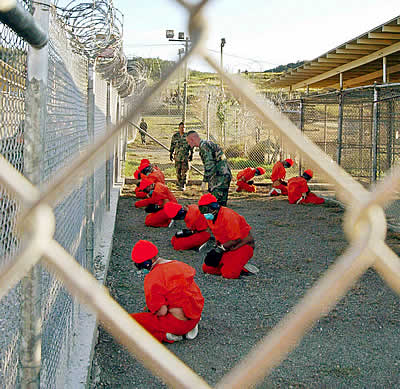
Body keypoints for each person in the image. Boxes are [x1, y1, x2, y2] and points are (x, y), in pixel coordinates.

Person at [130, 240, 204, 343]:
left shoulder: (153, 278)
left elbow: (161, 311)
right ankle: (188, 328)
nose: (140, 268)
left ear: (148, 262)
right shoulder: (179, 265)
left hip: (177, 324)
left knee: (129, 322)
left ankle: (168, 336)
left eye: (139, 265)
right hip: (194, 317)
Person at [197, 193, 256, 279]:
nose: (204, 212)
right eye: (201, 209)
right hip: (228, 247)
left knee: (229, 274)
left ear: (214, 207)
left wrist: (221, 249)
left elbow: (236, 239)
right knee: (207, 268)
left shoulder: (228, 216)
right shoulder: (212, 217)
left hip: (242, 245)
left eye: (205, 209)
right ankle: (234, 264)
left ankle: (241, 267)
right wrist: (218, 247)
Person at [186, 131, 232, 206]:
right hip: (224, 174)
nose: (188, 144)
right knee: (221, 205)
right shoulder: (206, 144)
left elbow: (209, 165)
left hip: (219, 177)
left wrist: (205, 181)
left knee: (214, 205)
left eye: (188, 141)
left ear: (192, 139)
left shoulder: (204, 146)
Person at [169, 122, 193, 191]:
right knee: (178, 172)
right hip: (177, 157)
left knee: (184, 172)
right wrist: (171, 153)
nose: (183, 129)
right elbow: (172, 145)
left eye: (184, 127)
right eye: (181, 127)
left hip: (185, 157)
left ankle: (183, 185)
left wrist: (191, 154)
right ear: (179, 128)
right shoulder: (175, 136)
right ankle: (179, 184)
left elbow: (191, 146)